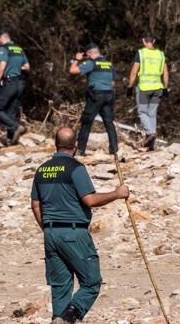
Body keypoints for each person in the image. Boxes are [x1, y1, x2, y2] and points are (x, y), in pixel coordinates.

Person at [31, 127, 129, 323]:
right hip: (73, 232)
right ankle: (68, 318)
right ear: (75, 145)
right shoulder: (76, 168)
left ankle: (58, 318)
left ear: (55, 144)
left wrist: (47, 229)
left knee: (60, 285)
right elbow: (90, 200)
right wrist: (117, 194)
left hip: (50, 232)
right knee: (91, 282)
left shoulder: (42, 169)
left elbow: (35, 204)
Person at [69, 43, 118, 156]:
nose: (86, 57)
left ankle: (80, 150)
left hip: (96, 96)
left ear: (90, 53)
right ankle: (114, 149)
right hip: (109, 95)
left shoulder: (91, 63)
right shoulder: (108, 64)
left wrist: (76, 59)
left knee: (87, 121)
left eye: (87, 55)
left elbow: (72, 71)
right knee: (109, 123)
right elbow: (113, 82)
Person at [126, 33, 169, 151]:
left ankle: (150, 133)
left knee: (142, 113)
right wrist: (165, 87)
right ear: (154, 41)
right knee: (152, 114)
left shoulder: (141, 53)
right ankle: (152, 145)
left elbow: (134, 71)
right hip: (158, 88)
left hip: (144, 88)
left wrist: (130, 86)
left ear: (144, 41)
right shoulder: (161, 54)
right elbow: (165, 72)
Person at [0, 29, 30, 146]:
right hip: (20, 84)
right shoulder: (19, 49)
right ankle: (11, 140)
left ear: (1, 38)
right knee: (11, 112)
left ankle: (16, 127)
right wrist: (17, 68)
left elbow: (1, 66)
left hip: (10, 82)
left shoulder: (4, 48)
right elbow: (27, 67)